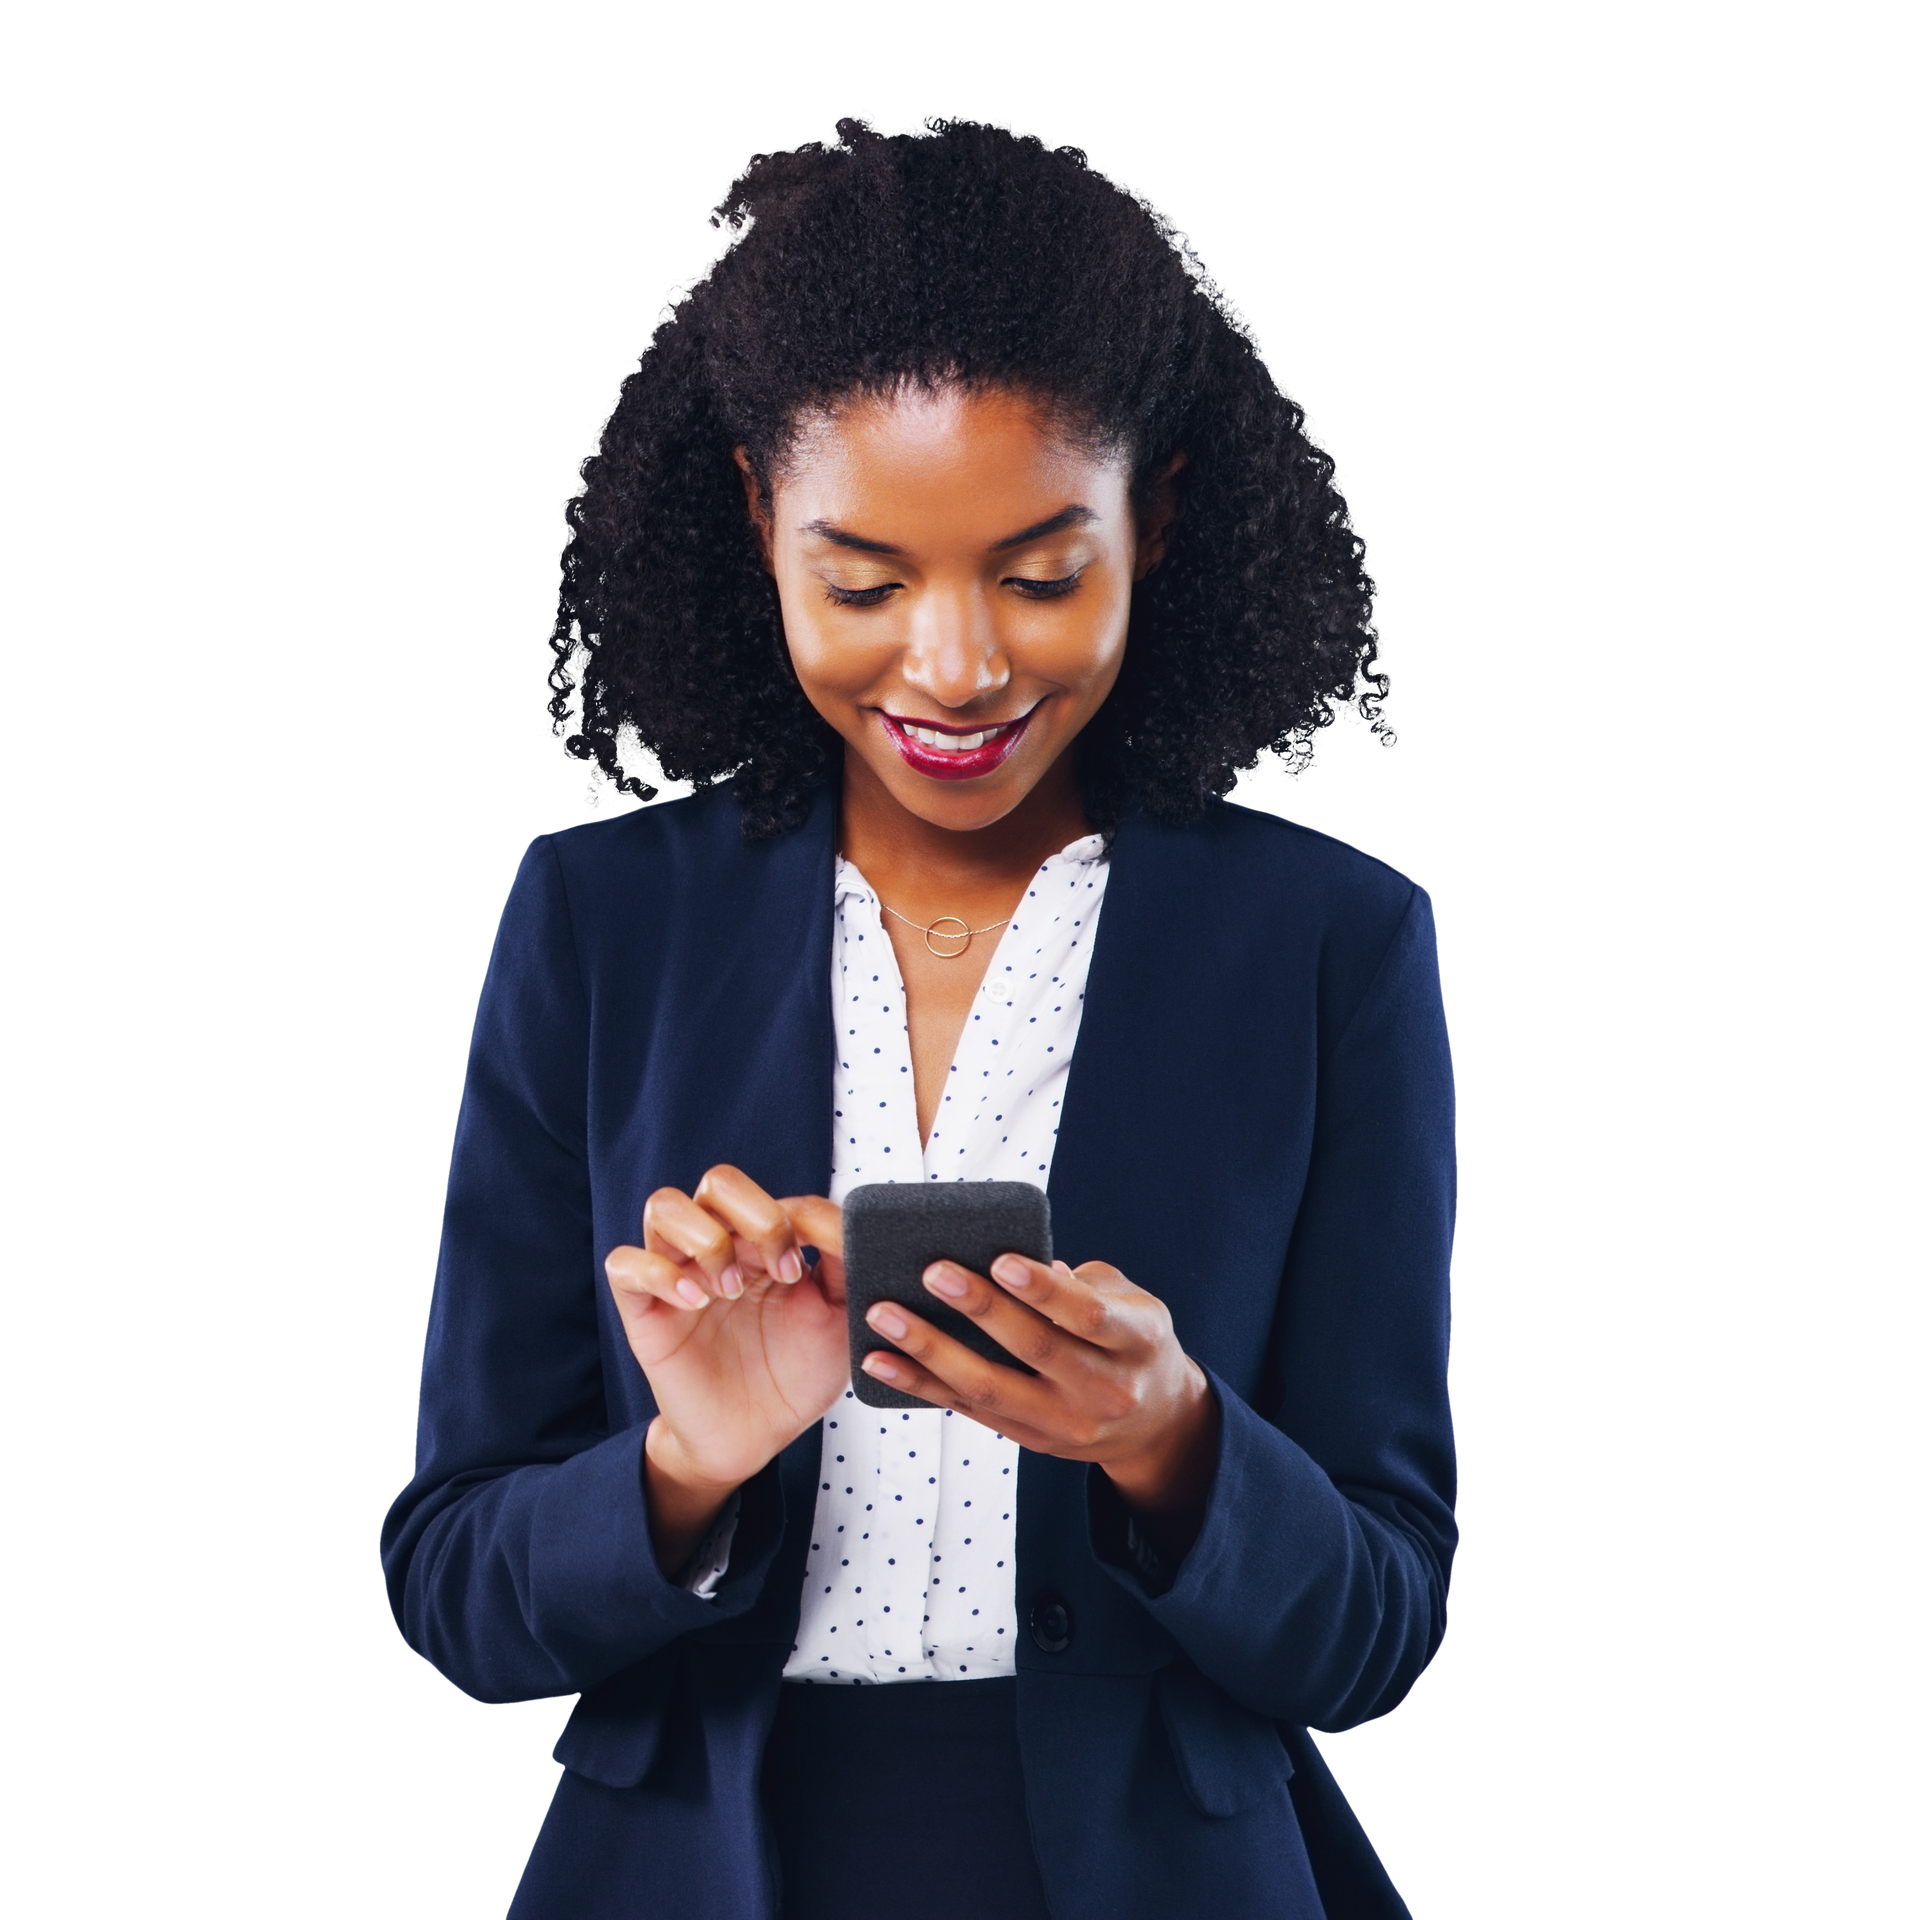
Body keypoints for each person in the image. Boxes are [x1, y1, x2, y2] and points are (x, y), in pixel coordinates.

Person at [379, 108, 1458, 1920]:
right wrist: (688, 1463)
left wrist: (1170, 1438)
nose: (955, 668)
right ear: (757, 519)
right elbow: (453, 1592)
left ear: (1156, 516)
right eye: (863, 582)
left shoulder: (1334, 942)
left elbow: (1379, 1626)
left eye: (1040, 575)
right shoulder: (596, 922)